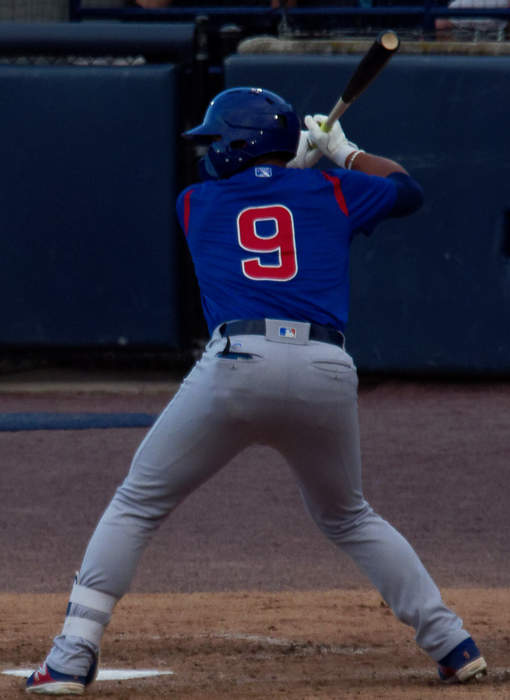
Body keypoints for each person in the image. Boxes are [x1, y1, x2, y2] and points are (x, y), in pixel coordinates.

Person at [25, 86, 488, 695]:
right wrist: (343, 154)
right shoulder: (332, 190)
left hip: (237, 366)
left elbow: (254, 195)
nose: (209, 152)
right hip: (326, 369)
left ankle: (70, 657)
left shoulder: (195, 204)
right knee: (349, 515)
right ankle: (452, 643)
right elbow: (407, 190)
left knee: (137, 504)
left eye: (218, 141)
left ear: (241, 146)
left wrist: (290, 168)